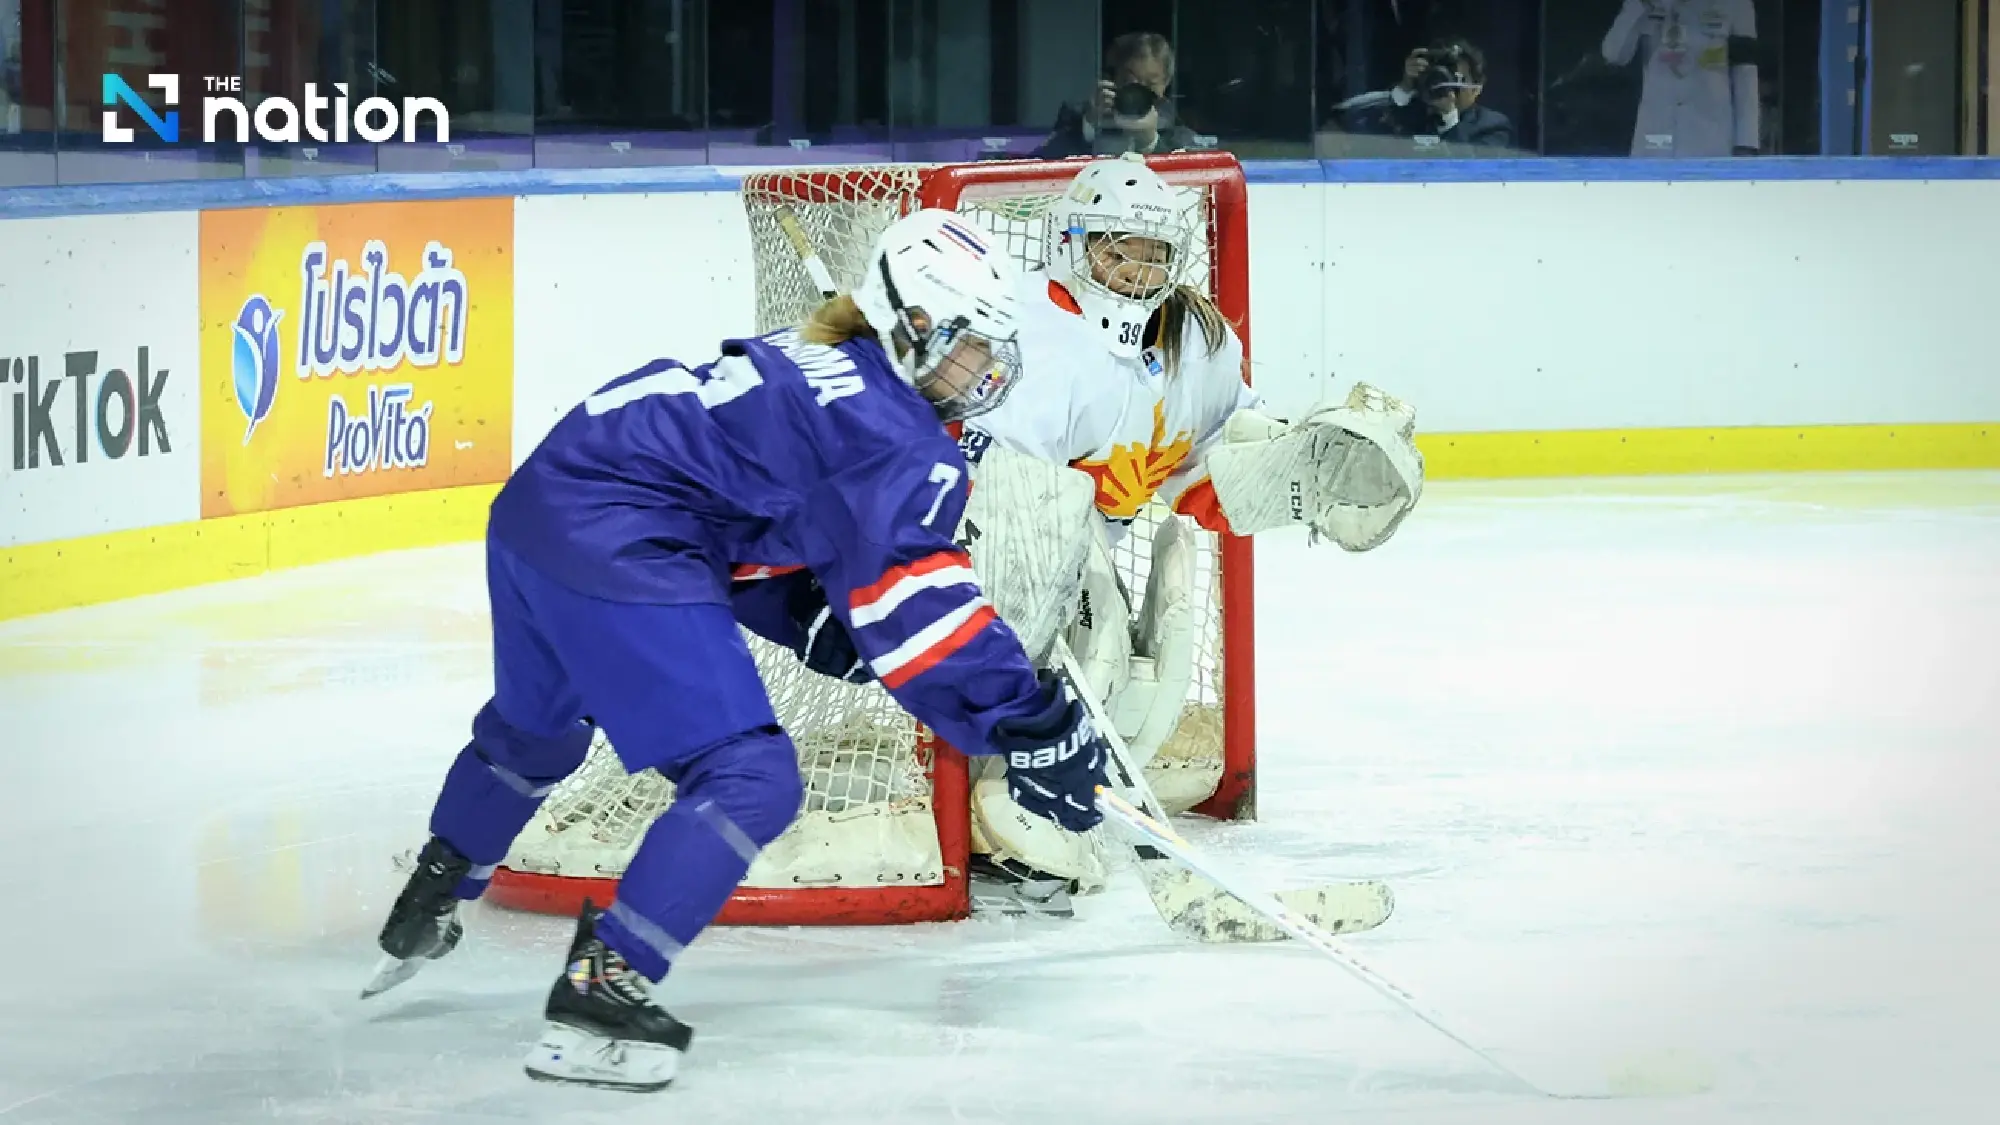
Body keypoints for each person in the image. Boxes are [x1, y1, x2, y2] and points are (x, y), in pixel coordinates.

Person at [362, 209, 1113, 1093]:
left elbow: (727, 509)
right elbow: (924, 615)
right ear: (912, 325)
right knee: (751, 777)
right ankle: (601, 995)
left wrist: (805, 611)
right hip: (621, 533)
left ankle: (433, 892)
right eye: (970, 344)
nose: (989, 367)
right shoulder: (894, 435)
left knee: (539, 733)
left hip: (541, 504)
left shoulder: (809, 355)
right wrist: (1029, 721)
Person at [954, 154, 1426, 901]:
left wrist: (1300, 467)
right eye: (1116, 246)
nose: (1137, 267)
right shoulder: (1027, 335)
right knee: (1094, 648)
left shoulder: (1195, 344)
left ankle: (1057, 796)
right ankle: (1002, 809)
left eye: (1154, 251)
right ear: (1070, 241)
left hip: (1081, 549)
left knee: (1160, 662)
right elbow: (1000, 501)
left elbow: (1211, 462)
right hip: (985, 560)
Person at [1601, 0, 1760, 157]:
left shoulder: (1737, 3)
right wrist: (1639, 5)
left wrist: (1746, 142)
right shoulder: (1643, 3)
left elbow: (1745, 73)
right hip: (1654, 139)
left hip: (1710, 139)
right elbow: (1614, 55)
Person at [1033, 32, 1201, 159]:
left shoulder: (1174, 124)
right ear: (1114, 78)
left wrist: (1151, 142)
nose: (1139, 91)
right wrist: (1088, 126)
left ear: (1166, 84)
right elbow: (1046, 159)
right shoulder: (1076, 114)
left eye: (1150, 84)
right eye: (1130, 81)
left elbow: (1187, 173)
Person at [1335, 39, 1515, 153]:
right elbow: (1358, 129)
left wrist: (1449, 120)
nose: (1445, 82)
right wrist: (1404, 90)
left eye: (1456, 78)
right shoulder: (1411, 114)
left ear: (1477, 87)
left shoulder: (1493, 126)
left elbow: (1473, 174)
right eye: (1442, 75)